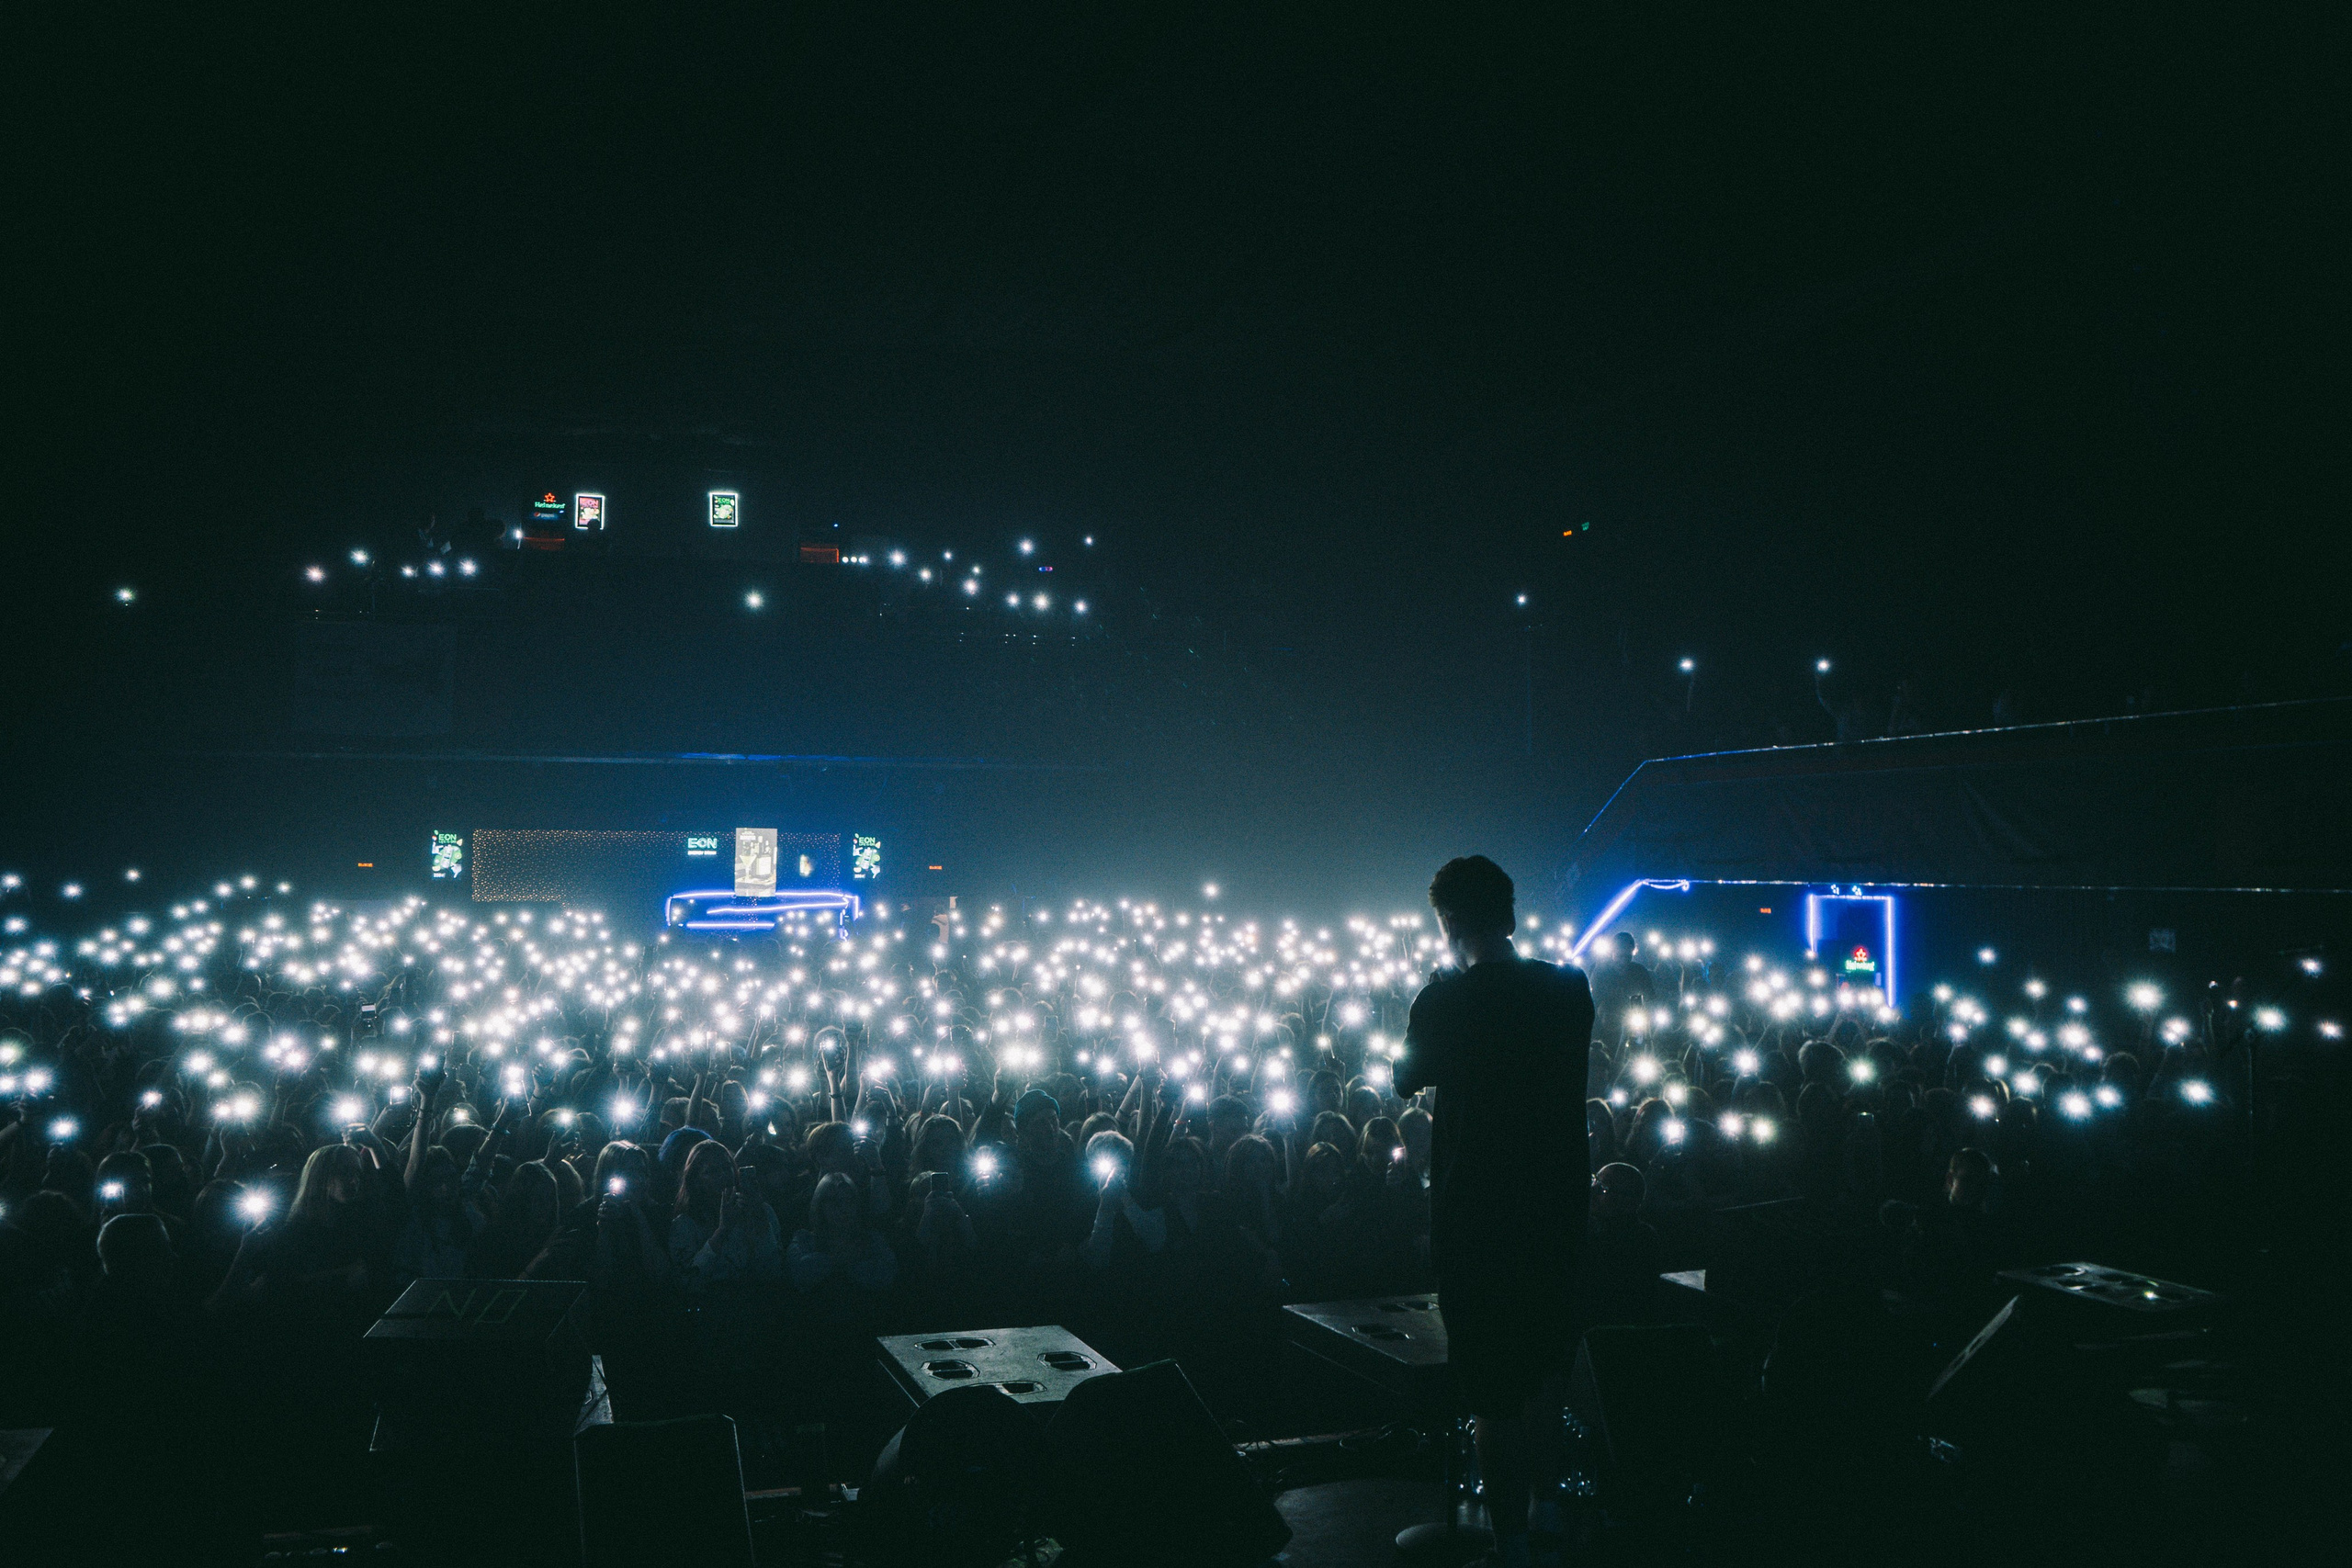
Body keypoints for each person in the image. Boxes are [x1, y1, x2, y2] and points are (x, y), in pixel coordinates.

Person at [1398, 855, 1592, 1568]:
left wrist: (1434, 992)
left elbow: (1404, 1075)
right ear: (1509, 914)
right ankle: (1548, 1518)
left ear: (1448, 923)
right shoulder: (1569, 988)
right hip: (1557, 1210)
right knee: (1546, 1374)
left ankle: (1509, 1546)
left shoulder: (1446, 999)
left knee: (1491, 1389)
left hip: (1477, 1217)